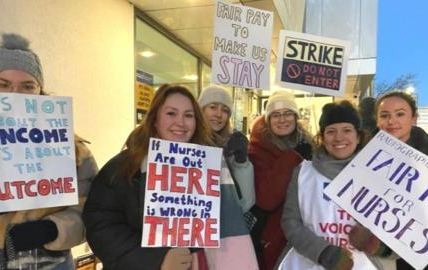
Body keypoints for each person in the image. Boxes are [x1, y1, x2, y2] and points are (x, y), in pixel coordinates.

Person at [83, 84, 258, 270]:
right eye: (171, 113)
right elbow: (101, 226)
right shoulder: (124, 166)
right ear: (155, 120)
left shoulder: (208, 165)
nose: (180, 123)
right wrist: (157, 260)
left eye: (188, 115)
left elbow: (235, 211)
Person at [0, 33, 98, 269]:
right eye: (4, 85)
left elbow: (93, 211)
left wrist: (52, 229)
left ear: (40, 90)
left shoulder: (73, 149)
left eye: (27, 86)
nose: (15, 94)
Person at [349, 91, 428, 270]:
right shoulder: (362, 158)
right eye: (384, 115)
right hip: (373, 261)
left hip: (423, 261)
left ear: (414, 118)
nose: (391, 121)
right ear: (377, 120)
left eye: (400, 114)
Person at [278, 100, 380, 270]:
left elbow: (394, 227)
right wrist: (323, 252)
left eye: (347, 130)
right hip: (308, 262)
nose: (339, 137)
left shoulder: (376, 173)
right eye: (331, 131)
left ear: (358, 135)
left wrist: (376, 242)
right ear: (322, 137)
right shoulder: (304, 172)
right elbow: (290, 222)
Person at [247, 91, 313, 270]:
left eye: (287, 113)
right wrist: (294, 157)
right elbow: (267, 198)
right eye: (276, 115)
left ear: (295, 116)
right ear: (268, 119)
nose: (282, 119)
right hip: (273, 235)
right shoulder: (257, 150)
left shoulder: (308, 143)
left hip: (306, 230)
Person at [198, 85, 255, 213]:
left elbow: (245, 203)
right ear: (200, 110)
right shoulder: (186, 142)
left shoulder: (231, 147)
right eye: (212, 107)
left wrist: (241, 163)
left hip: (223, 225)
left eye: (225, 110)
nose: (219, 114)